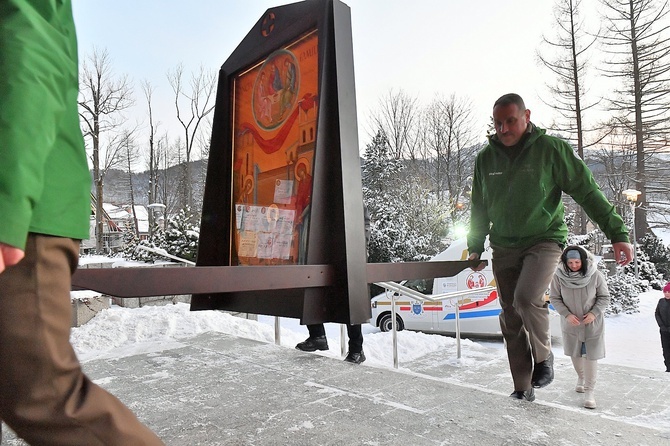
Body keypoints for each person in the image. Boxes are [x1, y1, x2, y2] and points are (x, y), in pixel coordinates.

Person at [0, 1, 164, 444]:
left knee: (44, 394)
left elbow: (27, 54)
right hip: (28, 203)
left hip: (28, 211)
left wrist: (7, 201)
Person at [467, 93, 633, 402]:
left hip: (544, 239)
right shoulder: (485, 159)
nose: (503, 129)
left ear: (526, 116)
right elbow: (478, 207)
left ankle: (544, 359)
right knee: (510, 317)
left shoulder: (550, 150)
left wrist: (616, 232)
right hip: (503, 244)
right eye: (498, 123)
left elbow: (587, 190)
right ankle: (522, 388)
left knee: (526, 297)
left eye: (510, 121)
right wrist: (475, 246)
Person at [296, 205, 371, 364]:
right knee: (312, 290)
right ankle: (318, 336)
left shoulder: (352, 199)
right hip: (321, 255)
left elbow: (365, 227)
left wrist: (359, 251)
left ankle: (357, 349)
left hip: (348, 257)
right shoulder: (318, 198)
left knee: (351, 301)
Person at [550, 246, 610, 409]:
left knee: (590, 357)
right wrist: (566, 314)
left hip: (592, 324)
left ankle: (590, 392)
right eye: (570, 262)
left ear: (583, 261)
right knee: (575, 355)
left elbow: (604, 297)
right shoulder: (558, 277)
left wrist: (594, 313)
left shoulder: (595, 275)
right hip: (572, 324)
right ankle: (581, 377)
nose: (574, 265)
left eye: (577, 262)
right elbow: (555, 298)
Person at [654, 282, 670, 372]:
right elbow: (657, 313)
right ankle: (668, 368)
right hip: (664, 331)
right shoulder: (661, 301)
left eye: (669, 292)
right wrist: (661, 325)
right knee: (666, 350)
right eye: (665, 292)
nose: (667, 293)